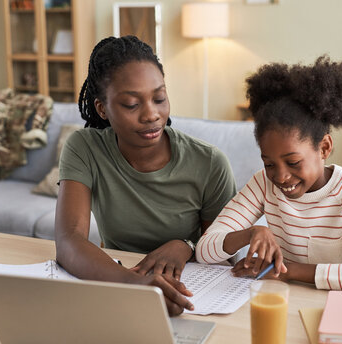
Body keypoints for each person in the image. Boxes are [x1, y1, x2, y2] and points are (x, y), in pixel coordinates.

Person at [55, 35, 236, 315]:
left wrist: (186, 245)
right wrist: (137, 285)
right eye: (131, 104)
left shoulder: (209, 163)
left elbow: (225, 249)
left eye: (159, 98)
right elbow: (69, 241)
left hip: (189, 293)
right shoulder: (85, 148)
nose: (151, 114)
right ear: (102, 109)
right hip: (118, 284)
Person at [195, 56, 342, 292]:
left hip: (337, 305)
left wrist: (287, 270)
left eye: (293, 162)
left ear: (324, 148)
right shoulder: (263, 184)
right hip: (285, 297)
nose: (280, 177)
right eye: (269, 164)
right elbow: (204, 249)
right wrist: (251, 232)